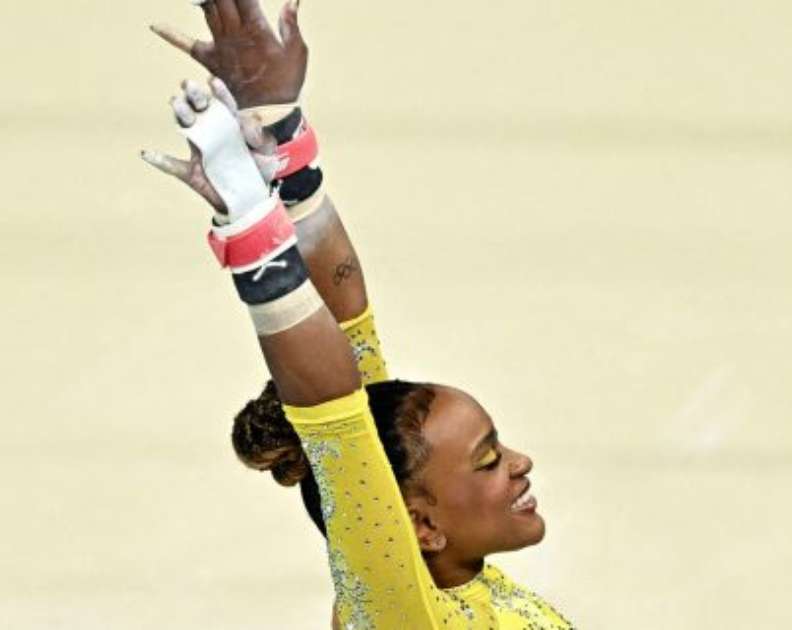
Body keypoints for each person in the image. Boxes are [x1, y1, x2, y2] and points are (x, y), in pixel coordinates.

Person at [141, 2, 573, 628]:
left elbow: (349, 329)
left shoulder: (460, 583)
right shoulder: (403, 614)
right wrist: (250, 229)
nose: (520, 461)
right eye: (487, 460)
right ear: (420, 524)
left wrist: (279, 125)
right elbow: (336, 423)